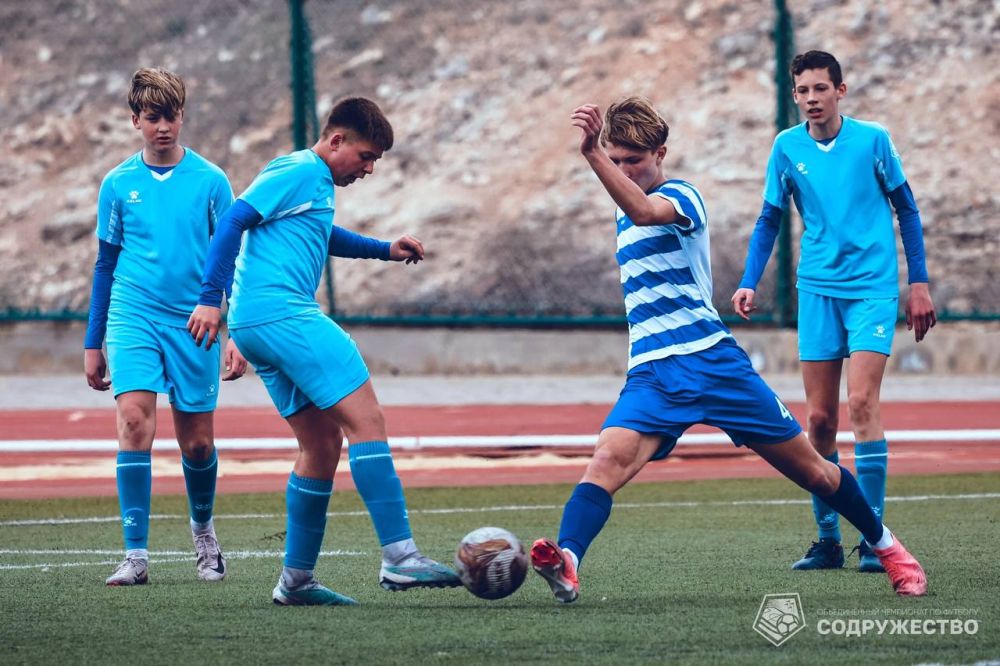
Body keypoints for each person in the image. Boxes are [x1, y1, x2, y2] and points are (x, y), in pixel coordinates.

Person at [529, 96, 927, 604]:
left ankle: (888, 548)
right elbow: (631, 207)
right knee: (606, 460)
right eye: (617, 160)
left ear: (660, 154)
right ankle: (568, 561)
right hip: (653, 373)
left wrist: (592, 154)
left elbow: (646, 211)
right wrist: (599, 157)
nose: (625, 170)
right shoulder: (620, 211)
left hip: (714, 363)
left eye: (635, 160)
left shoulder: (682, 197)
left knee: (814, 470)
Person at [187, 96, 461, 606]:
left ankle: (296, 580)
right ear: (336, 140)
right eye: (366, 156)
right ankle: (400, 556)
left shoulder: (312, 184)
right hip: (283, 314)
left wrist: (384, 249)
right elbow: (232, 221)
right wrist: (209, 301)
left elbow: (319, 233)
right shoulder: (298, 169)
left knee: (321, 445)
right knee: (367, 421)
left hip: (259, 323)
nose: (369, 168)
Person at [731, 51, 936, 573]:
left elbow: (907, 209)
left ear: (840, 91)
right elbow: (769, 219)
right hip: (817, 291)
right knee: (820, 421)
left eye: (821, 88)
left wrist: (918, 283)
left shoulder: (873, 140)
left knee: (862, 402)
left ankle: (875, 541)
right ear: (795, 96)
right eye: (802, 90)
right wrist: (749, 280)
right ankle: (827, 541)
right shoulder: (786, 146)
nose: (811, 98)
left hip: (871, 289)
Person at [85, 67, 247, 586]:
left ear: (182, 117)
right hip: (132, 315)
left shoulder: (212, 181)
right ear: (135, 119)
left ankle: (204, 534)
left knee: (196, 444)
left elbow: (231, 261)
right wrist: (92, 342)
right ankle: (135, 556)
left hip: (195, 323)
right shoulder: (117, 184)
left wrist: (235, 331)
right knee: (134, 421)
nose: (163, 127)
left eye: (171, 116)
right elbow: (105, 264)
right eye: (153, 117)